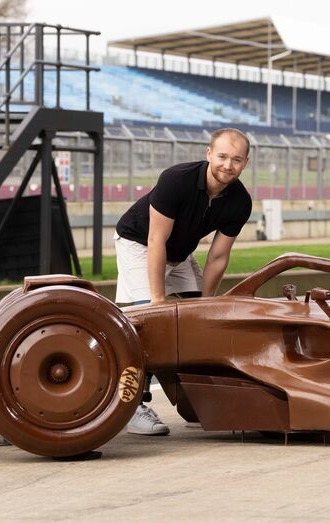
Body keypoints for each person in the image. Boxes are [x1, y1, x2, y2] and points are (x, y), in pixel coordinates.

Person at [113, 128, 252, 435]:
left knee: (195, 323)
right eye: (222, 157)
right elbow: (155, 238)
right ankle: (132, 405)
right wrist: (157, 300)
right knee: (149, 324)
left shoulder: (240, 201)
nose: (228, 165)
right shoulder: (176, 179)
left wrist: (204, 303)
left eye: (237, 160)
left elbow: (217, 257)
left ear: (246, 163)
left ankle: (196, 402)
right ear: (208, 154)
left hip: (180, 254)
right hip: (140, 244)